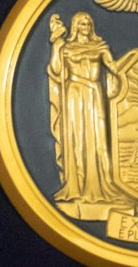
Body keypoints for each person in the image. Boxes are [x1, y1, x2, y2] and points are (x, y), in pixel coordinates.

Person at [46, 12, 125, 220]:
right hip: (74, 94)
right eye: (82, 22)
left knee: (97, 140)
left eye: (88, 22)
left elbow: (115, 67)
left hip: (93, 93)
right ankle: (78, 188)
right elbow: (55, 70)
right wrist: (55, 45)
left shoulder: (100, 47)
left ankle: (98, 186)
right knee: (77, 140)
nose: (86, 25)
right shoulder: (66, 48)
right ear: (74, 25)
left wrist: (137, 57)